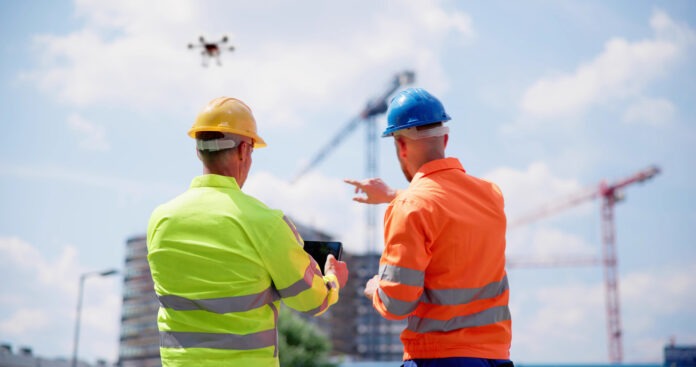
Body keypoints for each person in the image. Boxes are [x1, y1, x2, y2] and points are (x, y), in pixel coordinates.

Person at [147, 96, 349, 367]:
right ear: (244, 150)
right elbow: (311, 301)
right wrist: (333, 281)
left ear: (198, 151)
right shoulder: (265, 223)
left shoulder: (161, 220)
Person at [344, 88, 512, 367]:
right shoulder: (491, 195)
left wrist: (375, 289)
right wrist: (394, 195)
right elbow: (447, 207)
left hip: (439, 358)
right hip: (495, 358)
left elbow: (397, 303)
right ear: (445, 138)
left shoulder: (411, 207)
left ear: (401, 145)